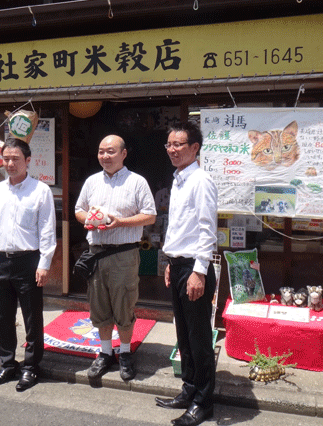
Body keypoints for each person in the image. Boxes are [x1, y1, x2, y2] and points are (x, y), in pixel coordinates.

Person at [75, 135, 156, 381]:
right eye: (101, 151)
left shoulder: (137, 182)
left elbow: (150, 215)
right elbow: (79, 209)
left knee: (124, 304)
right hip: (97, 254)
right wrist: (87, 219)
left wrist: (120, 222)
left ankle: (126, 352)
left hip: (124, 254)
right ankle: (105, 352)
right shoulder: (91, 181)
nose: (105, 156)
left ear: (123, 154)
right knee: (99, 305)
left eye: (110, 151)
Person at [0, 137, 57, 392]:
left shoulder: (40, 190)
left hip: (28, 261)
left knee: (32, 317)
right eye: (7, 159)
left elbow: (47, 230)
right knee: (2, 316)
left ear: (28, 161)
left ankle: (31, 367)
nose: (10, 164)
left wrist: (44, 263)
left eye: (16, 159)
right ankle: (7, 364)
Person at [156, 121, 218, 426]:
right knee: (184, 336)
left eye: (178, 144)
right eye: (169, 144)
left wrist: (198, 272)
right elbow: (183, 228)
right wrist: (171, 262)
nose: (172, 149)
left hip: (195, 269)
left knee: (199, 338)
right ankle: (189, 389)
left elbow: (207, 230)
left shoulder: (201, 180)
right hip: (179, 265)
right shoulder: (179, 179)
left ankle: (203, 402)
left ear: (195, 148)